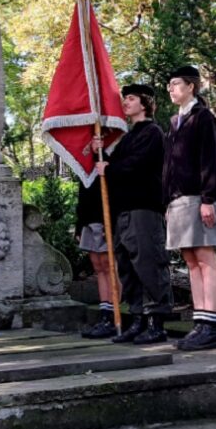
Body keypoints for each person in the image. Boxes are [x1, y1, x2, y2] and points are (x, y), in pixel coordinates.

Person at [96, 83, 173, 345]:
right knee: (127, 266)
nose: (125, 102)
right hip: (123, 210)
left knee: (149, 263)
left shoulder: (153, 133)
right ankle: (138, 318)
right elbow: (116, 163)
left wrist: (110, 166)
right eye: (124, 98)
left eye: (131, 98)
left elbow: (137, 164)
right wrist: (103, 151)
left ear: (145, 102)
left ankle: (156, 322)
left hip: (144, 208)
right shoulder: (128, 137)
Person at [163, 66, 216, 350]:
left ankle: (210, 325)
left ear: (191, 86)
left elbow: (209, 157)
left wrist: (208, 199)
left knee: (205, 257)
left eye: (175, 84)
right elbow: (169, 164)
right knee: (190, 259)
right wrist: (166, 200)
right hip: (178, 200)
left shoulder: (203, 118)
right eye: (169, 85)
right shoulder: (176, 120)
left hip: (198, 198)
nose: (170, 89)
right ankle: (199, 322)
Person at [75, 176, 115, 339]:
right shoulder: (85, 166)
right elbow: (82, 195)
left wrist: (111, 222)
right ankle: (104, 314)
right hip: (88, 220)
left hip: (103, 219)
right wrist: (79, 225)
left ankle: (112, 314)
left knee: (109, 266)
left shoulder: (108, 161)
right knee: (98, 267)